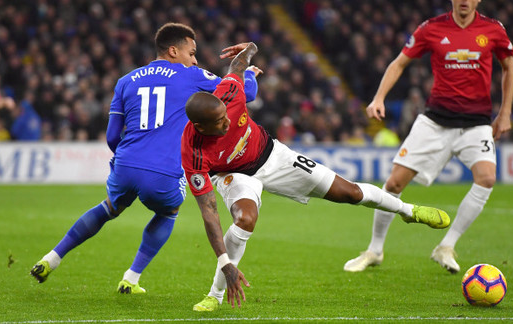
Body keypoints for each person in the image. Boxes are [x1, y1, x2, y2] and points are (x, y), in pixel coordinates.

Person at [180, 42, 451, 312]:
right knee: (245, 218)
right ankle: (215, 295)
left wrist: (250, 46)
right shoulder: (194, 152)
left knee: (351, 193)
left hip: (272, 155)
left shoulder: (230, 93)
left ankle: (408, 211)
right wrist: (225, 262)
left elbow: (239, 64)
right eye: (219, 123)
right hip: (232, 174)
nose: (227, 122)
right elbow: (209, 211)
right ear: (200, 127)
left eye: (225, 116)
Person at [30, 23, 258, 293]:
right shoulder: (191, 75)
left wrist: (127, 160)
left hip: (125, 164)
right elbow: (246, 94)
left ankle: (51, 259)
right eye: (192, 52)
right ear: (173, 51)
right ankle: (131, 278)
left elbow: (113, 136)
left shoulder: (125, 80)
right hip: (163, 171)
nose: (195, 59)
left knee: (108, 209)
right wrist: (251, 74)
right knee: (168, 211)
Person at [343, 0, 513, 274]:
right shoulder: (432, 28)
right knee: (394, 183)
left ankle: (446, 245)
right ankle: (374, 250)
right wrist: (379, 97)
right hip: (435, 121)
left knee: (487, 178)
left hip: (476, 123)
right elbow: (399, 62)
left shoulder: (493, 30)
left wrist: (505, 113)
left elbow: (509, 66)